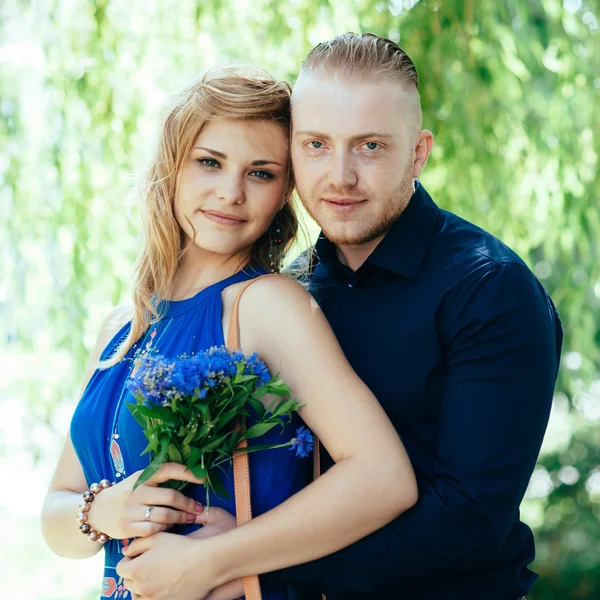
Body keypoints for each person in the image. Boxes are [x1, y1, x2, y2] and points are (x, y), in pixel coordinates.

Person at [126, 34, 562, 600]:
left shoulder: (490, 290)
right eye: (314, 145)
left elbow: (469, 521)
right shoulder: (290, 285)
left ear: (419, 152)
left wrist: (247, 566)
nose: (339, 176)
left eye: (370, 147)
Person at [40, 66, 418, 600]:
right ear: (172, 166)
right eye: (210, 162)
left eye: (261, 173)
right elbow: (56, 513)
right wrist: (102, 509)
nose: (230, 193)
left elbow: (384, 479)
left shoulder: (266, 306)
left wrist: (216, 560)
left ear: (285, 191)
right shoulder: (119, 327)